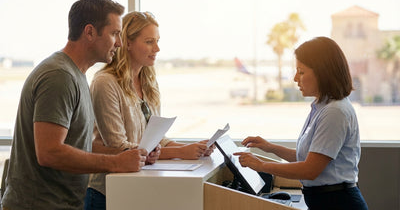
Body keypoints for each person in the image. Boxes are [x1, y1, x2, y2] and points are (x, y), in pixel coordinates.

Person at [2, 0, 148, 210]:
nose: (118, 42)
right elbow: (50, 152)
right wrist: (115, 163)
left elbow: (79, 146)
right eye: (114, 33)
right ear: (89, 32)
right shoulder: (59, 76)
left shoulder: (76, 75)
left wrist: (128, 155)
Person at [84, 11, 215, 210]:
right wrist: (179, 152)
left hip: (138, 187)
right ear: (127, 43)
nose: (157, 48)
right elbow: (120, 147)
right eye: (149, 41)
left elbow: (156, 139)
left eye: (157, 41)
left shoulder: (148, 82)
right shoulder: (105, 83)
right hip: (107, 192)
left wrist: (193, 148)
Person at [234, 37, 368, 210]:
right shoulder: (321, 107)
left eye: (301, 72)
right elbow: (308, 157)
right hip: (327, 200)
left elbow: (309, 169)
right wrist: (270, 147)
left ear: (322, 72)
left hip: (338, 202)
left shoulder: (334, 112)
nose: (296, 78)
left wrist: (262, 166)